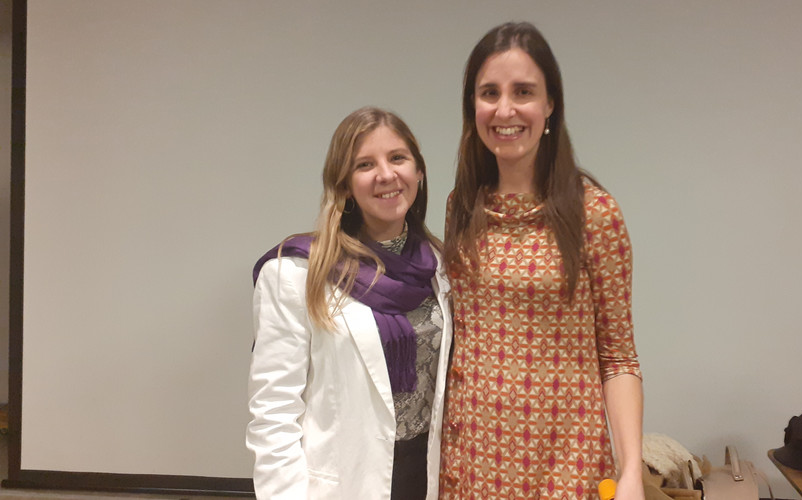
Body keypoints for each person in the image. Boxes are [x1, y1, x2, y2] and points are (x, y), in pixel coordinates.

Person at [440, 22, 645, 500]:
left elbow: (618, 358)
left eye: (523, 91)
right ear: (473, 106)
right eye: (489, 92)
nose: (504, 110)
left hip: (564, 468)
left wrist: (632, 469)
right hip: (470, 465)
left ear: (550, 104)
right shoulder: (461, 207)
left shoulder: (594, 213)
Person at [247, 107, 452, 500]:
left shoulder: (439, 266)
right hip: (346, 481)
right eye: (365, 164)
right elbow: (273, 410)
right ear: (343, 185)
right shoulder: (296, 272)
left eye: (397, 158)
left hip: (427, 476)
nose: (386, 175)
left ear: (419, 172)